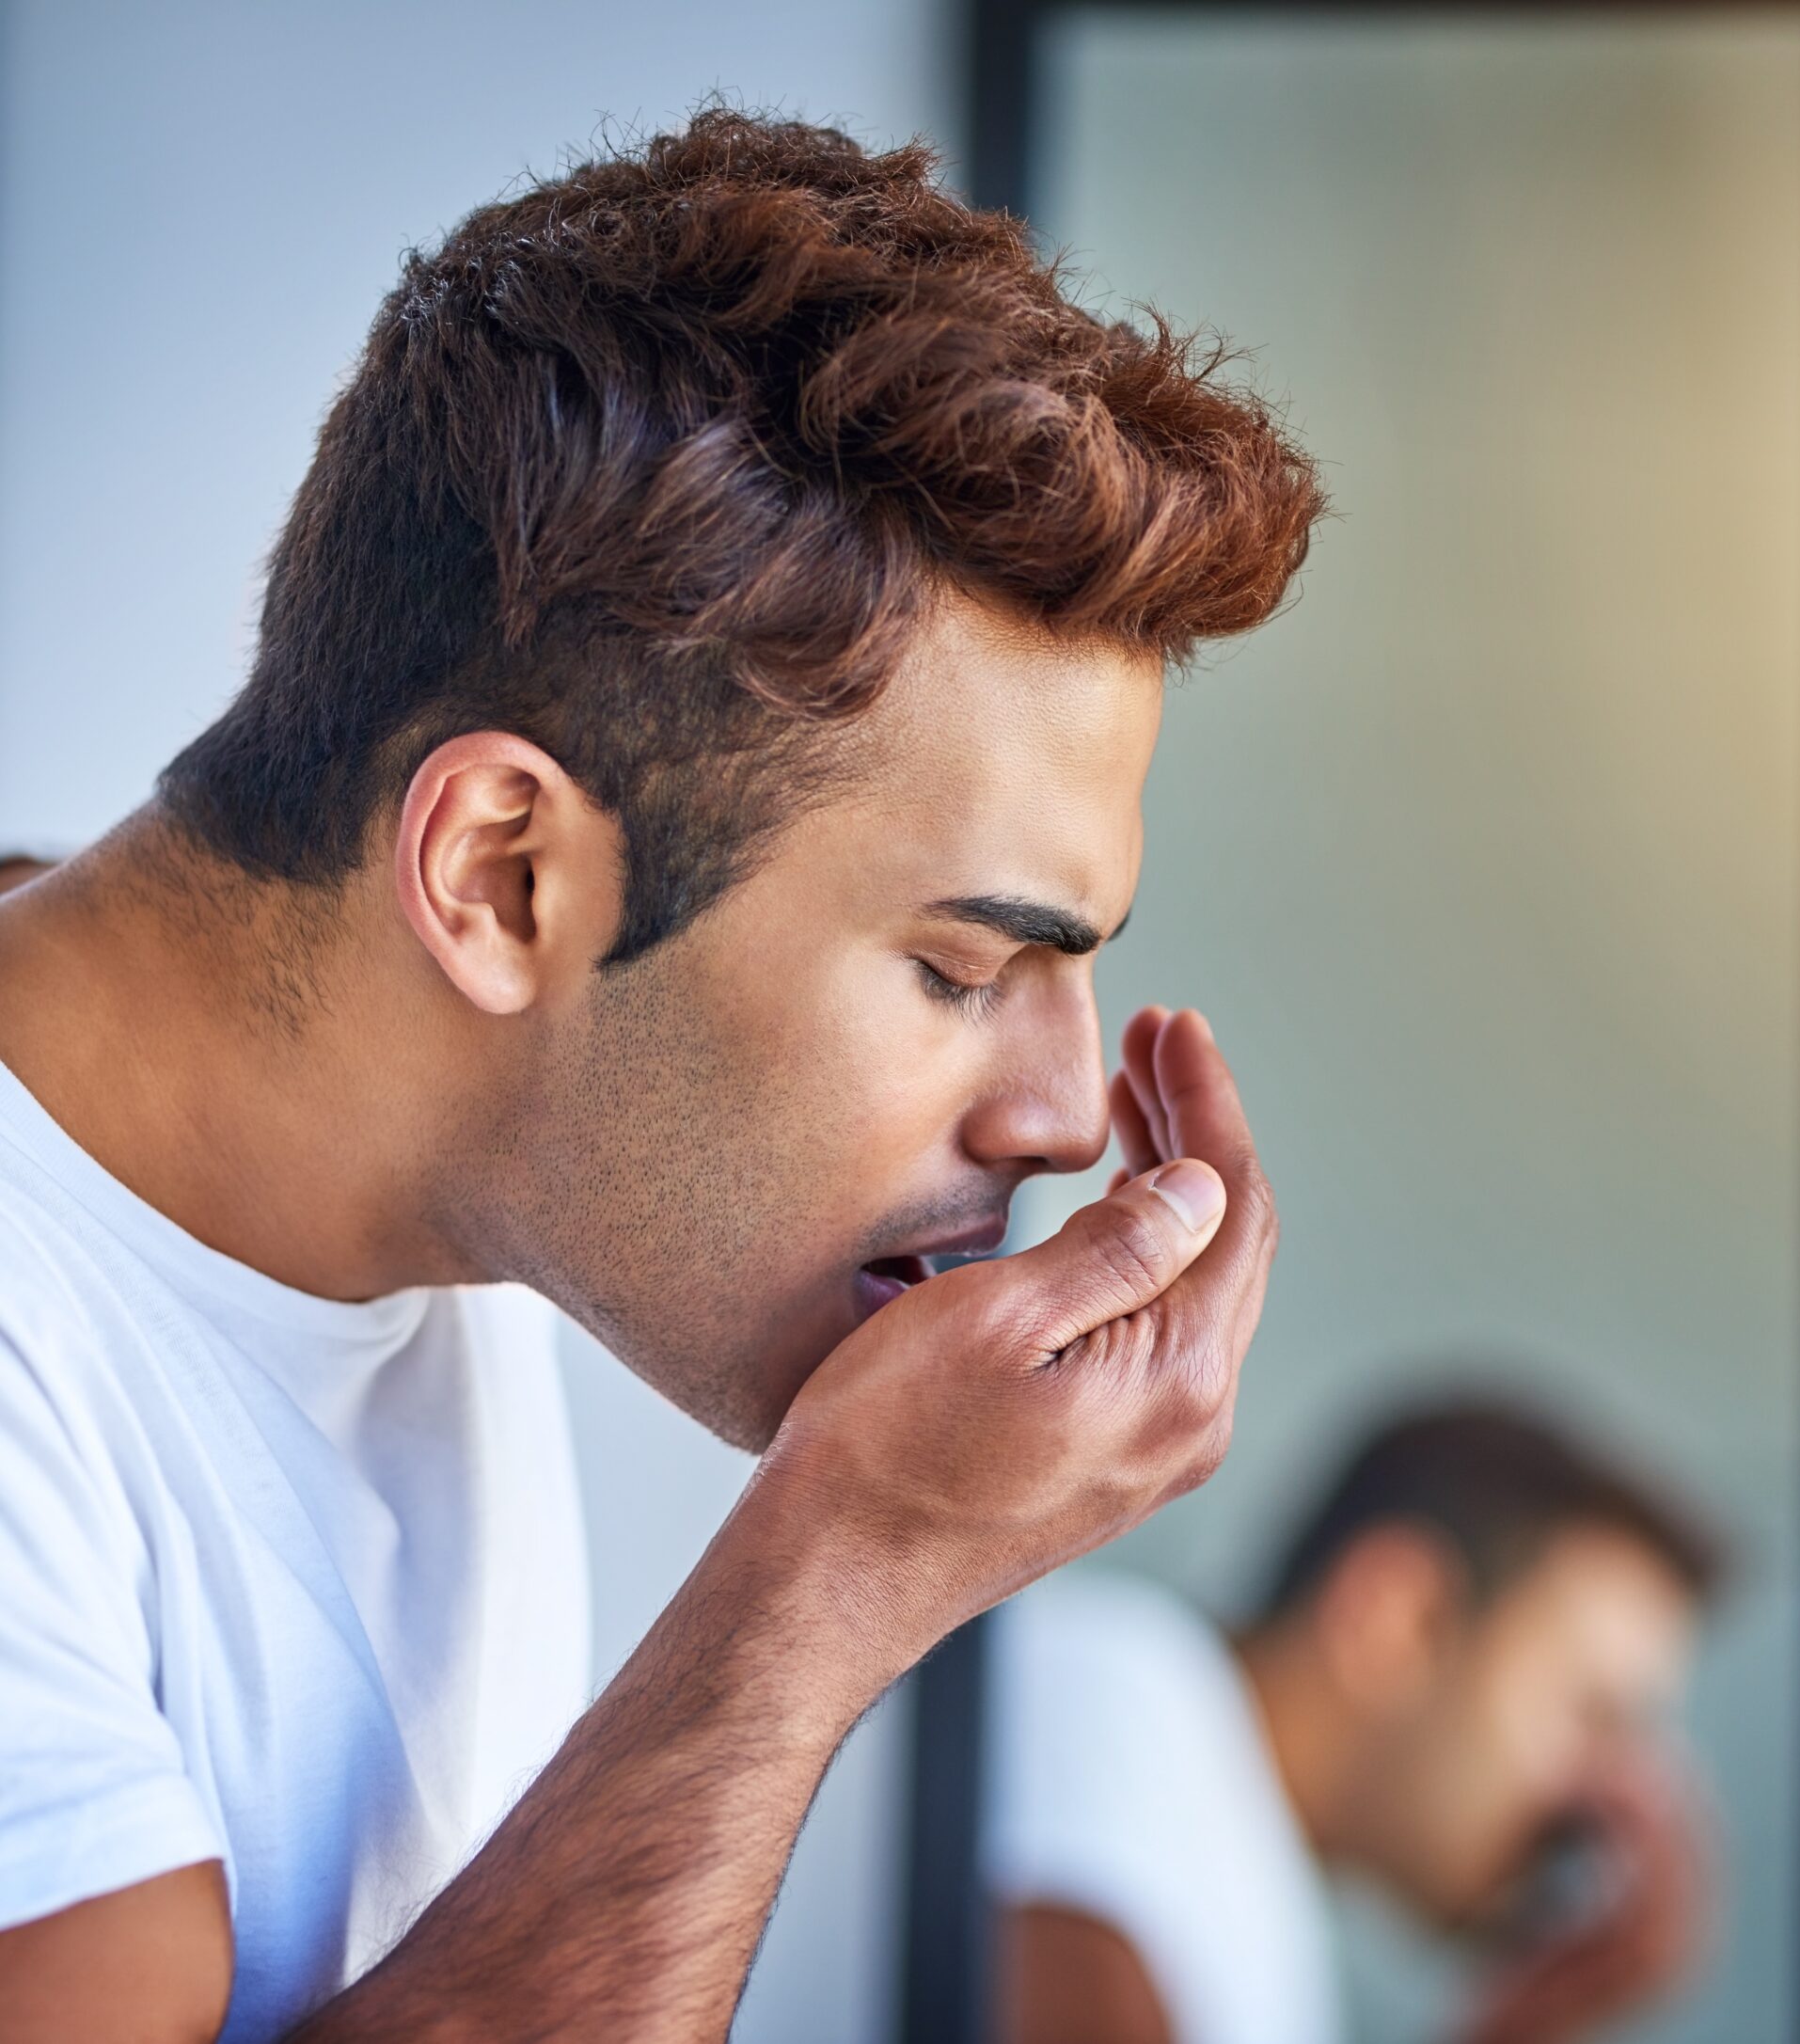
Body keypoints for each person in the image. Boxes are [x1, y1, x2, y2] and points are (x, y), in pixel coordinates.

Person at [0, 109, 1322, 2040]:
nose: (1058, 1111)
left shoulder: (475, 1168)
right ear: (500, 876)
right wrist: (831, 1580)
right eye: (958, 966)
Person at [987, 1402, 1727, 2044]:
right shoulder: (1113, 1706)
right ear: (1396, 1621)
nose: (1611, 1798)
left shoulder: (1239, 1850)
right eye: (1592, 1714)